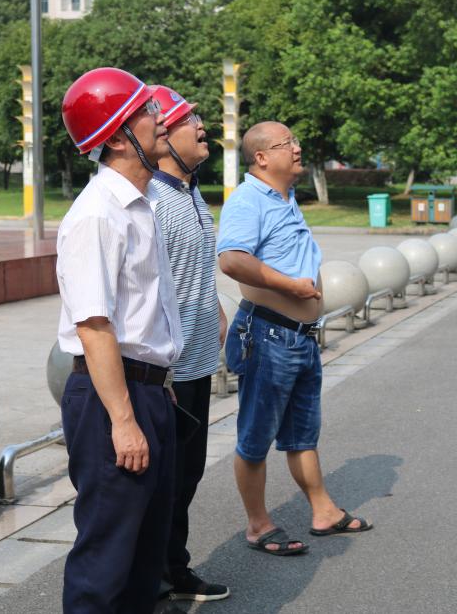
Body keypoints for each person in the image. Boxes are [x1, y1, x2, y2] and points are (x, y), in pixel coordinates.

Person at [56, 67, 185, 614]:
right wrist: (125, 419)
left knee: (144, 555)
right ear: (116, 137)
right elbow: (94, 326)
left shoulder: (141, 205)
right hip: (112, 398)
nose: (161, 119)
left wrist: (160, 386)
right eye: (146, 111)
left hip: (146, 390)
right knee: (106, 559)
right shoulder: (97, 215)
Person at [216, 121, 374, 557]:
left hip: (299, 337)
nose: (297, 148)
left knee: (302, 433)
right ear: (262, 157)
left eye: (296, 141)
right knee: (255, 437)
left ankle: (323, 511)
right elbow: (232, 260)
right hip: (268, 335)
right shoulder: (249, 200)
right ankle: (258, 525)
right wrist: (290, 286)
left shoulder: (283, 197)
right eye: (287, 143)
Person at [147, 85, 230, 602]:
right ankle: (156, 580)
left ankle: (173, 569)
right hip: (169, 373)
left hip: (199, 362)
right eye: (187, 120)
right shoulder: (153, 201)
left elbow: (192, 269)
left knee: (187, 476)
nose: (202, 128)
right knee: (164, 483)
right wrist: (162, 373)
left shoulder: (191, 192)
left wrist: (217, 312)